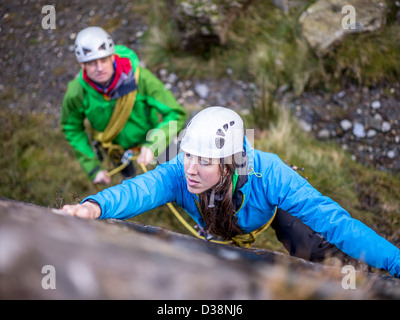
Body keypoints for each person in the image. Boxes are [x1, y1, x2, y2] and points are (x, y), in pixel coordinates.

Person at [62, 106, 400, 277]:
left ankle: (346, 274)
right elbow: (140, 189)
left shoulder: (269, 173)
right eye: (188, 155)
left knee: (305, 238)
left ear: (229, 163)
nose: (191, 169)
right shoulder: (180, 172)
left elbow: (335, 221)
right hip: (219, 225)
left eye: (204, 161)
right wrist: (94, 207)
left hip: (266, 208)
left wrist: (395, 261)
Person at [60, 26, 186, 184]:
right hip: (116, 151)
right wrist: (93, 168)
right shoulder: (77, 92)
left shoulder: (140, 79)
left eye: (104, 60)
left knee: (176, 177)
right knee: (132, 184)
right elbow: (72, 128)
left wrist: (154, 144)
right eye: (92, 63)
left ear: (112, 57)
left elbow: (175, 114)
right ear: (82, 65)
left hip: (152, 140)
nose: (99, 68)